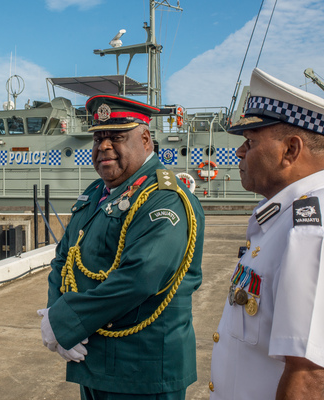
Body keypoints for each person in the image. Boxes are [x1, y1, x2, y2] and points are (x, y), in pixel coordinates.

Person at [39, 94, 205, 399]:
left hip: (141, 371)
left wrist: (65, 321)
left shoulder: (164, 198)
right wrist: (54, 310)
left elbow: (140, 276)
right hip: (96, 363)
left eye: (116, 137)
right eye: (99, 137)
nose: (103, 146)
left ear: (145, 140)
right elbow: (65, 258)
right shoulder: (96, 192)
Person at [209, 68, 324, 399]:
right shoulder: (285, 218)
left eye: (251, 141)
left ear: (290, 150)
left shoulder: (309, 230)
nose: (241, 152)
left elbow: (309, 376)